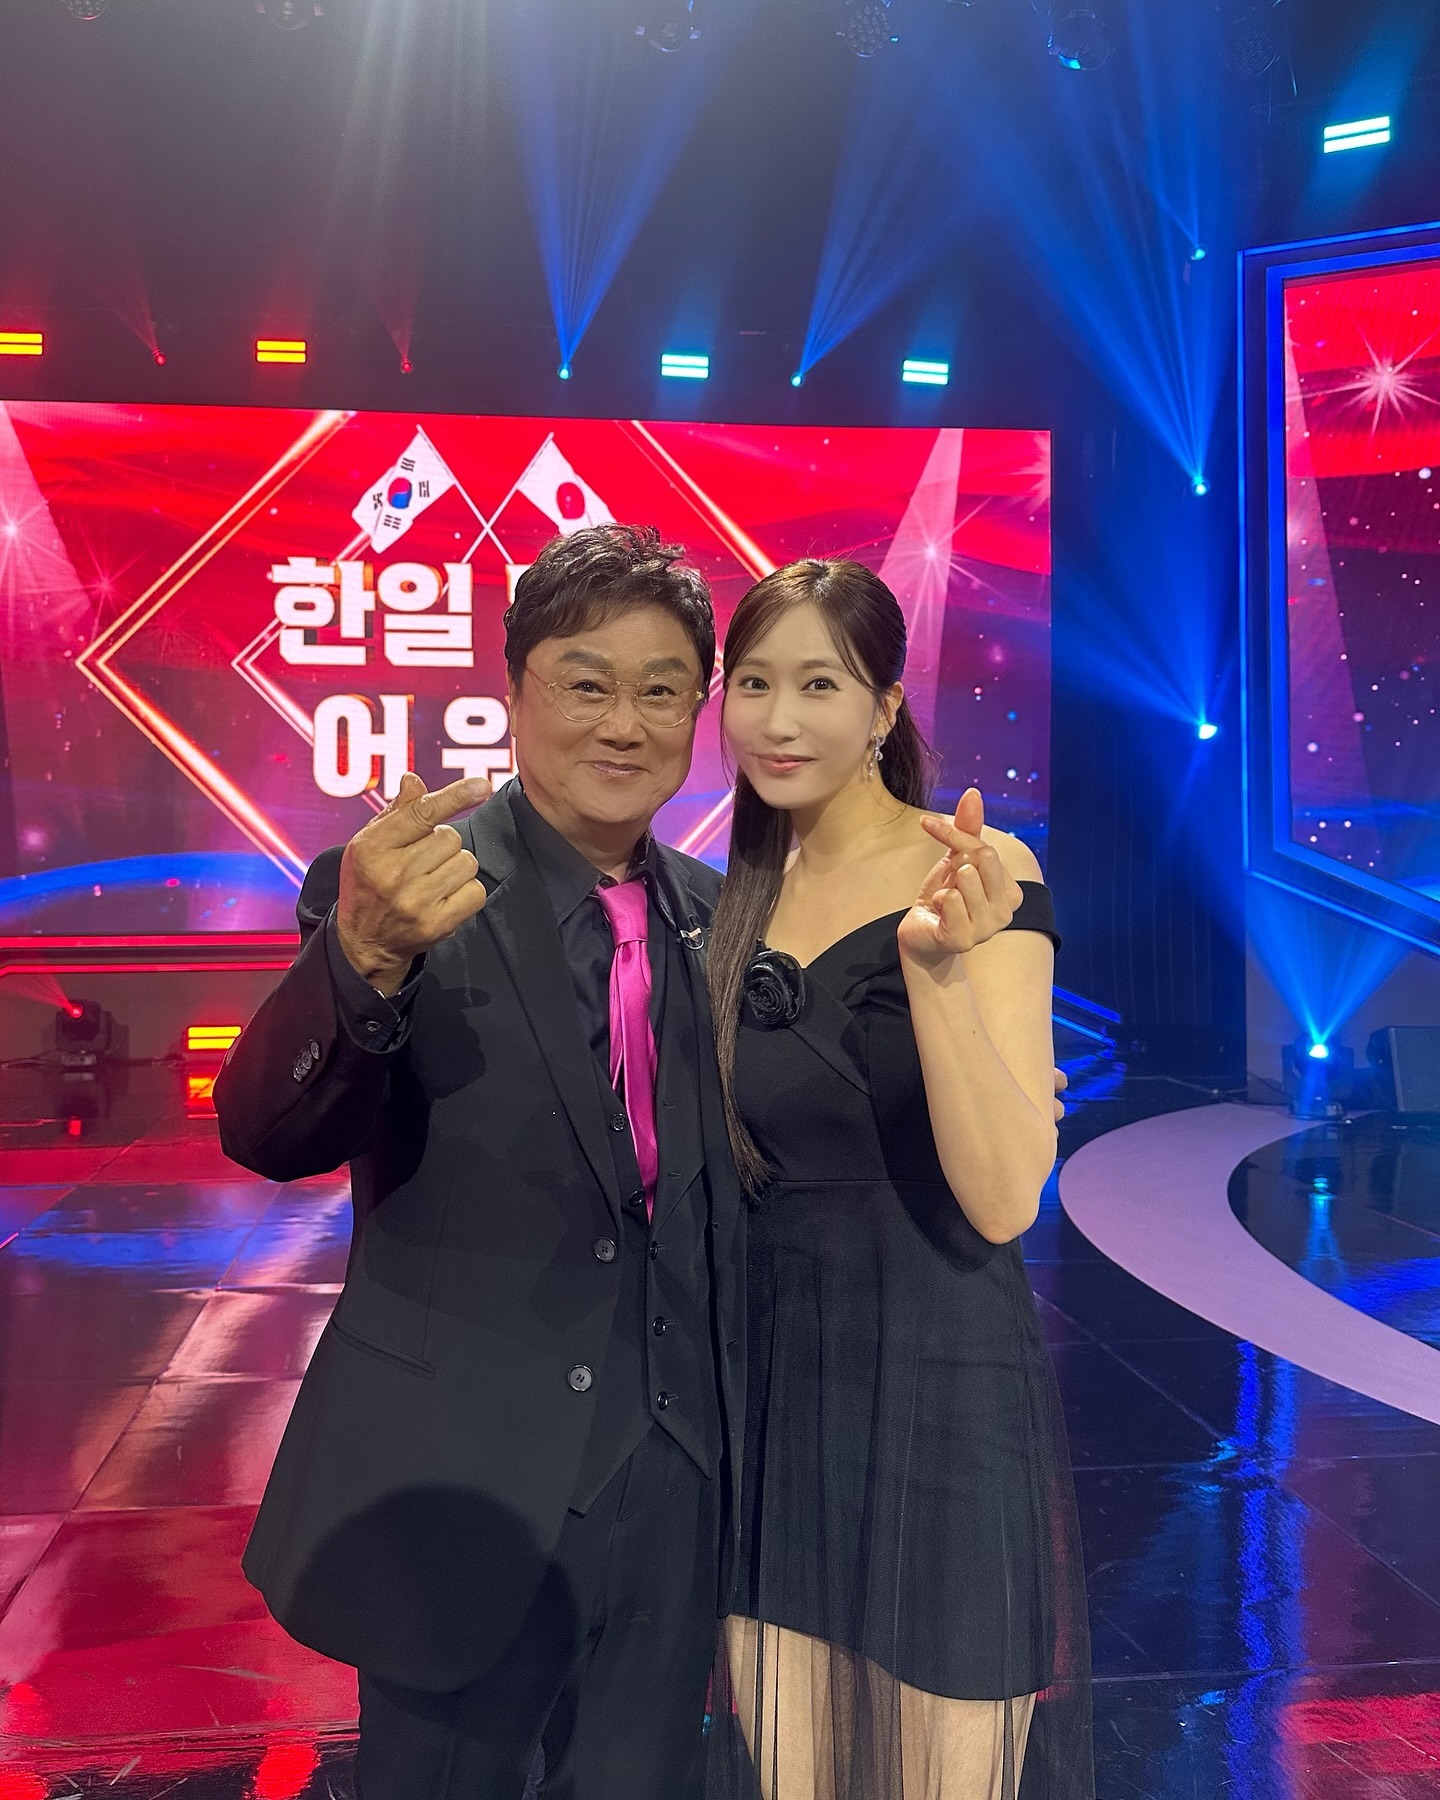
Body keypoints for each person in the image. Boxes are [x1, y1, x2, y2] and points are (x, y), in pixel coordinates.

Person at [213, 524, 744, 1800]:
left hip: (677, 1491)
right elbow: (269, 1133)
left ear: (700, 711)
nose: (624, 724)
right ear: (515, 691)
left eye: (662, 689)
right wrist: (363, 960)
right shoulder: (400, 889)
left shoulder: (717, 914)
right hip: (467, 1479)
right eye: (586, 683)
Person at [705, 559, 1093, 1800]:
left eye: (819, 684)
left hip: (939, 1382)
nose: (778, 719)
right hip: (770, 1396)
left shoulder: (978, 873)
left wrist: (934, 972)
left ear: (884, 707)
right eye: (752, 683)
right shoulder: (723, 906)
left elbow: (1005, 1198)